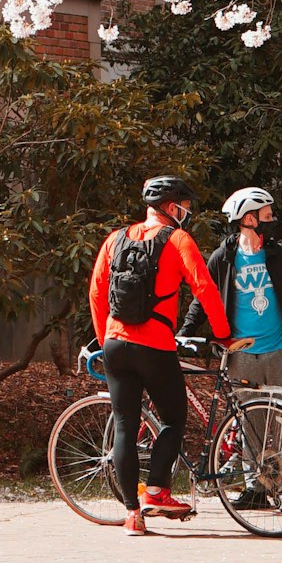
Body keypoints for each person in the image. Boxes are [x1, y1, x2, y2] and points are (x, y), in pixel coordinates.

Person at [89, 174, 239, 535]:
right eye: (184, 207)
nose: (186, 213)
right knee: (173, 418)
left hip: (114, 343)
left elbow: (96, 293)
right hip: (154, 344)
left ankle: (131, 514)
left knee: (124, 424)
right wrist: (223, 334)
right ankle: (157, 491)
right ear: (172, 207)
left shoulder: (115, 239)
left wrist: (105, 338)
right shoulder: (178, 240)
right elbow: (204, 287)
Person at [194, 186, 282, 393]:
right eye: (267, 216)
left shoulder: (278, 253)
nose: (272, 220)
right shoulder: (223, 258)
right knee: (248, 423)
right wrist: (185, 333)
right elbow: (203, 297)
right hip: (242, 356)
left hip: (281, 351)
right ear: (250, 219)